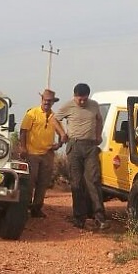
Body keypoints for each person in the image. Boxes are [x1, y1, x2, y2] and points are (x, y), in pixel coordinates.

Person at [55, 83, 107, 230]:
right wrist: (62, 134)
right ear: (74, 96)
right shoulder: (68, 106)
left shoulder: (94, 105)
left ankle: (99, 217)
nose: (82, 102)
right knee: (76, 182)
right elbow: (54, 119)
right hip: (75, 146)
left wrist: (98, 136)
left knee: (94, 180)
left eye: (84, 99)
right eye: (80, 99)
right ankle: (79, 218)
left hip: (91, 147)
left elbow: (99, 120)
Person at [17, 89, 68, 218]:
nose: (47, 102)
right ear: (42, 100)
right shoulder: (32, 113)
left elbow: (62, 134)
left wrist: (58, 144)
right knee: (29, 182)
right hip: (32, 153)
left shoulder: (53, 116)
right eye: (45, 100)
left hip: (47, 154)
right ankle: (24, 207)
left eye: (49, 101)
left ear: (52, 102)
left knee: (43, 182)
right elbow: (23, 131)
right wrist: (23, 147)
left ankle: (36, 208)